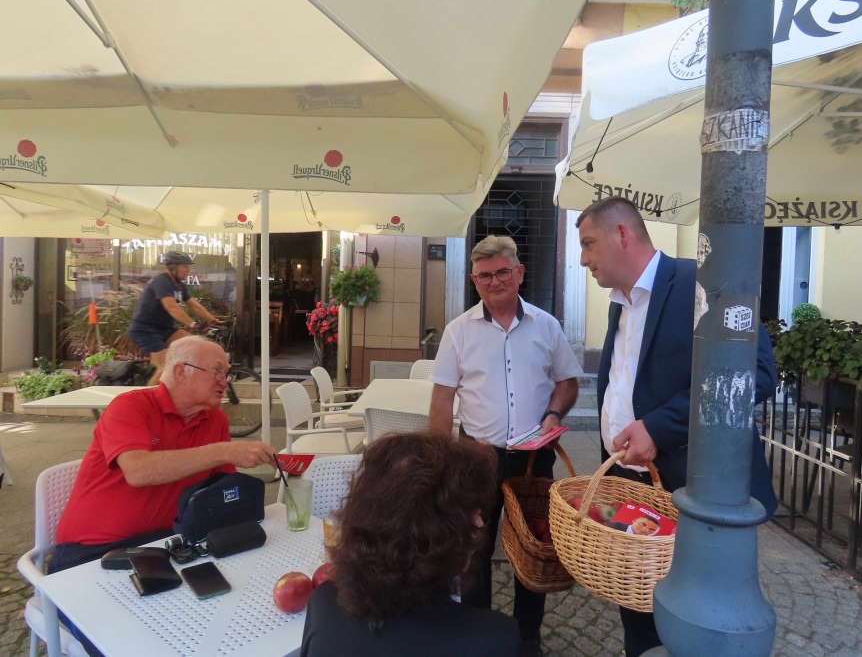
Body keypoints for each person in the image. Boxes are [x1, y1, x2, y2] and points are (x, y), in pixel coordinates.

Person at [578, 196, 778, 657]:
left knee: (690, 619)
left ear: (622, 234)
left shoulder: (701, 282)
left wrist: (659, 427)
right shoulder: (619, 302)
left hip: (693, 489)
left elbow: (756, 375)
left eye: (588, 244)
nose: (584, 259)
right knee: (636, 602)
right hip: (630, 480)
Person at [48, 336, 275, 657]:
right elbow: (138, 470)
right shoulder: (130, 406)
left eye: (227, 373)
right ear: (181, 371)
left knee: (227, 620)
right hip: (90, 553)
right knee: (125, 644)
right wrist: (226, 451)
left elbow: (219, 491)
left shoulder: (215, 419)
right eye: (216, 371)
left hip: (167, 545)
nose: (225, 382)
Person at [428, 235, 582, 656]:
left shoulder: (547, 326)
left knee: (534, 552)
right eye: (484, 276)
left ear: (520, 273)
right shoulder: (458, 332)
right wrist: (440, 466)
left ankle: (526, 637)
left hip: (534, 460)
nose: (494, 281)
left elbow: (568, 382)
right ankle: (477, 636)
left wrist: (554, 414)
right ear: (473, 281)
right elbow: (442, 400)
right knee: (474, 551)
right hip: (476, 459)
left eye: (502, 272)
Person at [300, 433, 524, 657]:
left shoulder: (323, 604)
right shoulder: (497, 639)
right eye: (473, 513)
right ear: (441, 540)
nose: (480, 522)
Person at [128, 251, 223, 386]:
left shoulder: (179, 286)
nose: (188, 270)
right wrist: (192, 323)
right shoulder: (162, 282)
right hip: (145, 331)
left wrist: (214, 321)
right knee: (164, 368)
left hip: (165, 329)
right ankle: (149, 397)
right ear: (172, 267)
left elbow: (194, 306)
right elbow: (171, 307)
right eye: (184, 266)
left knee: (196, 346)